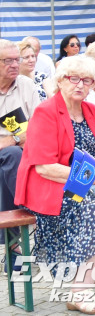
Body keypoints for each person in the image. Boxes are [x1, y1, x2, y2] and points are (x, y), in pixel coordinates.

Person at [15, 54, 95, 314]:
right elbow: (45, 167)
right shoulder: (45, 112)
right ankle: (79, 291)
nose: (80, 85)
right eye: (73, 79)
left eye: (87, 80)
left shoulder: (91, 111)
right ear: (60, 81)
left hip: (87, 186)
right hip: (53, 188)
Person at [1, 39, 41, 220]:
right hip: (12, 153)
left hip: (26, 148)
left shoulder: (26, 84)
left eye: (17, 60)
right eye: (8, 61)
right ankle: (32, 206)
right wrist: (17, 140)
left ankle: (11, 239)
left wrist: (14, 140)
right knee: (12, 155)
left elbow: (39, 125)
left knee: (13, 157)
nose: (15, 65)